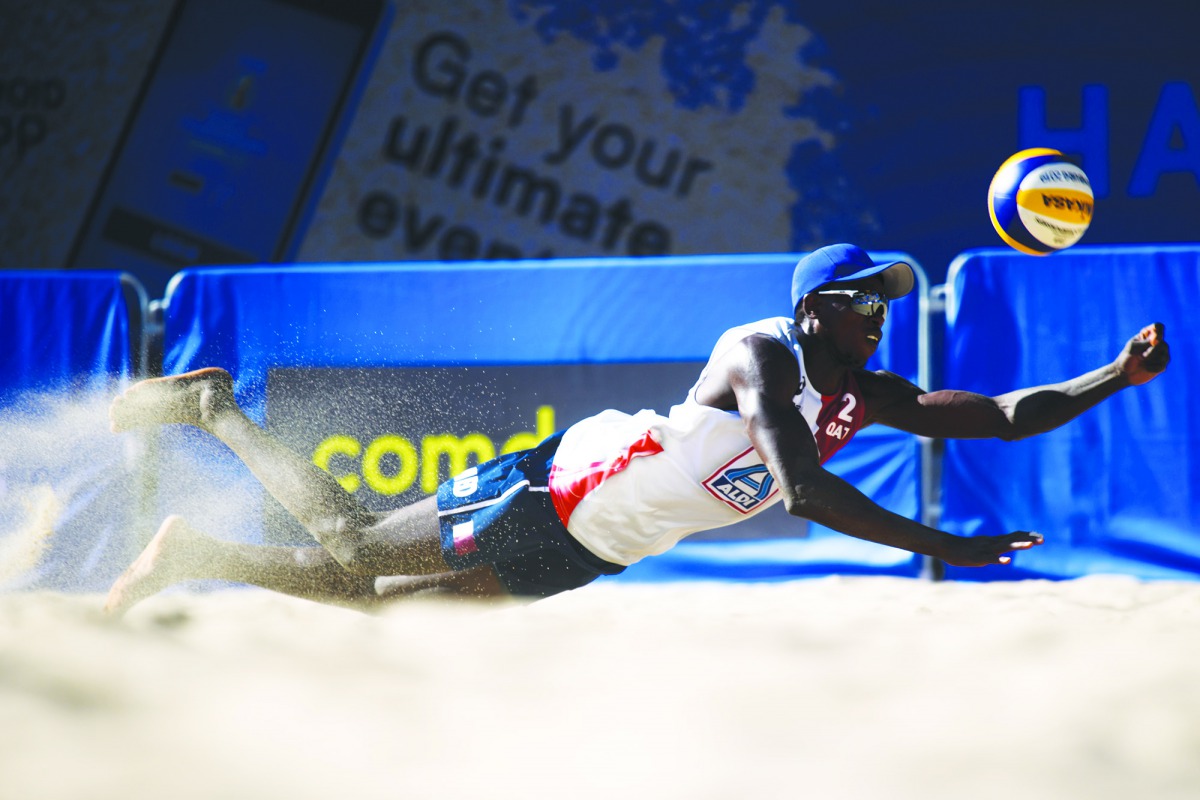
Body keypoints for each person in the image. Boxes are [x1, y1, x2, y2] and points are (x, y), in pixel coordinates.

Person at [103, 243, 1170, 613]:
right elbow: (800, 489)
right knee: (348, 550)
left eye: (884, 301)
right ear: (813, 312)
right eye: (861, 300)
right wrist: (953, 546)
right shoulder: (766, 355)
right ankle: (212, 408)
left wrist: (1117, 374)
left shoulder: (867, 391)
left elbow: (1003, 416)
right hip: (560, 491)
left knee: (372, 598)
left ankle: (194, 551)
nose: (880, 313)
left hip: (601, 546)